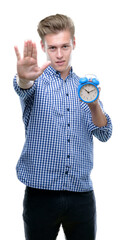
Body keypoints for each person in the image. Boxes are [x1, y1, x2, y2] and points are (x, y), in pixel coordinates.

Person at [13, 14, 112, 240]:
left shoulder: (85, 87)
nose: (59, 54)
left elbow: (104, 133)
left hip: (81, 196)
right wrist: (23, 78)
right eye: (53, 47)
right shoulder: (34, 81)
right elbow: (22, 87)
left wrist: (94, 104)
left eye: (65, 46)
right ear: (43, 47)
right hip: (40, 195)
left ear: (74, 44)